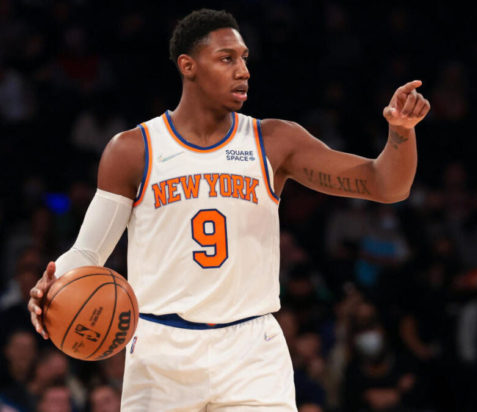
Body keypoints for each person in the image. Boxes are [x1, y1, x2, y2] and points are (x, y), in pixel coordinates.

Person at [28, 8, 429, 411]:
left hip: (251, 350)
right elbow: (87, 253)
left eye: (244, 58)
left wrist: (401, 134)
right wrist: (52, 286)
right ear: (188, 66)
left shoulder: (273, 141)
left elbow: (386, 186)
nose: (243, 71)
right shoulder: (134, 150)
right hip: (161, 353)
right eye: (227, 58)